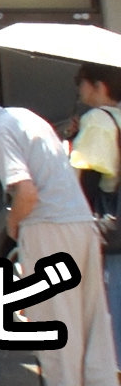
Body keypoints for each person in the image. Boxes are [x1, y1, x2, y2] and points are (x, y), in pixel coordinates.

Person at [0, 78, 118, 386]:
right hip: (80, 221)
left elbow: (26, 191)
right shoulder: (24, 116)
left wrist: (12, 227)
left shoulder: (0, 130)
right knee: (92, 323)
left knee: (55, 319)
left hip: (49, 226)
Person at [69, 62, 121, 362]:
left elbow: (83, 178)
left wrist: (74, 142)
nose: (79, 88)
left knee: (110, 309)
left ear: (99, 86)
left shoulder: (98, 120)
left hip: (110, 229)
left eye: (81, 81)